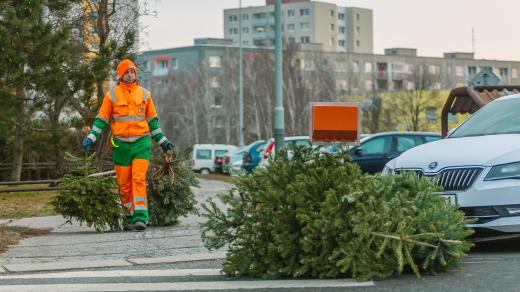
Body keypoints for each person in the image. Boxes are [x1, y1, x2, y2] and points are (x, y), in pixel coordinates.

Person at [81, 59, 173, 231]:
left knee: (138, 179)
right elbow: (101, 121)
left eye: (133, 72)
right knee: (124, 184)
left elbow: (153, 122)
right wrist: (91, 138)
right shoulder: (112, 96)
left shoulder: (145, 94)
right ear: (121, 75)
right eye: (127, 72)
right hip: (121, 147)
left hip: (141, 144)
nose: (130, 75)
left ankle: (140, 218)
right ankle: (129, 217)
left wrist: (163, 142)